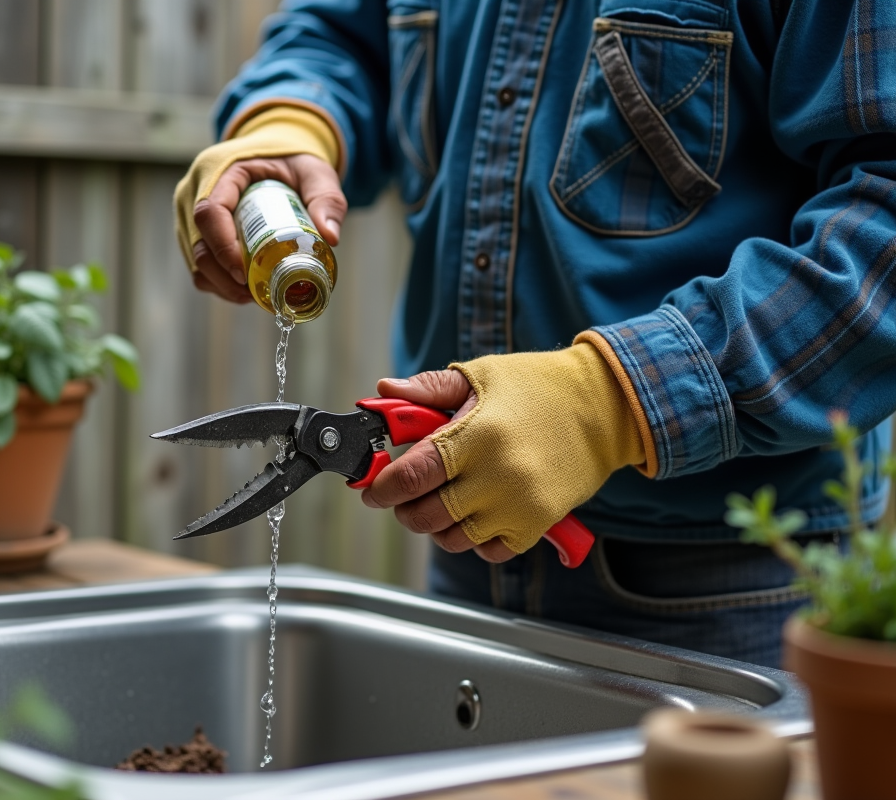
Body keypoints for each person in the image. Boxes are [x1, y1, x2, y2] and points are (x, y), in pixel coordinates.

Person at [173, 0, 896, 668]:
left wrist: (607, 402)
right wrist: (291, 119)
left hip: (734, 586)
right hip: (468, 546)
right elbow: (338, 31)